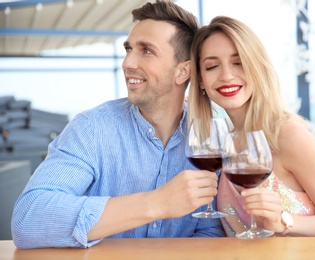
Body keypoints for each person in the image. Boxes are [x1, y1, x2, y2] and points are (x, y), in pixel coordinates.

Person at [11, 1, 226, 249]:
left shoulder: (209, 140)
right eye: (128, 49)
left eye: (146, 51)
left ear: (183, 72)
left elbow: (212, 231)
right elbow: (28, 218)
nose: (128, 63)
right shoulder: (92, 129)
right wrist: (156, 203)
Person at [187, 16, 315, 237]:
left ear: (257, 67)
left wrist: (282, 221)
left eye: (239, 62)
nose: (227, 75)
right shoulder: (225, 142)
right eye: (212, 66)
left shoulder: (288, 134)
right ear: (200, 81)